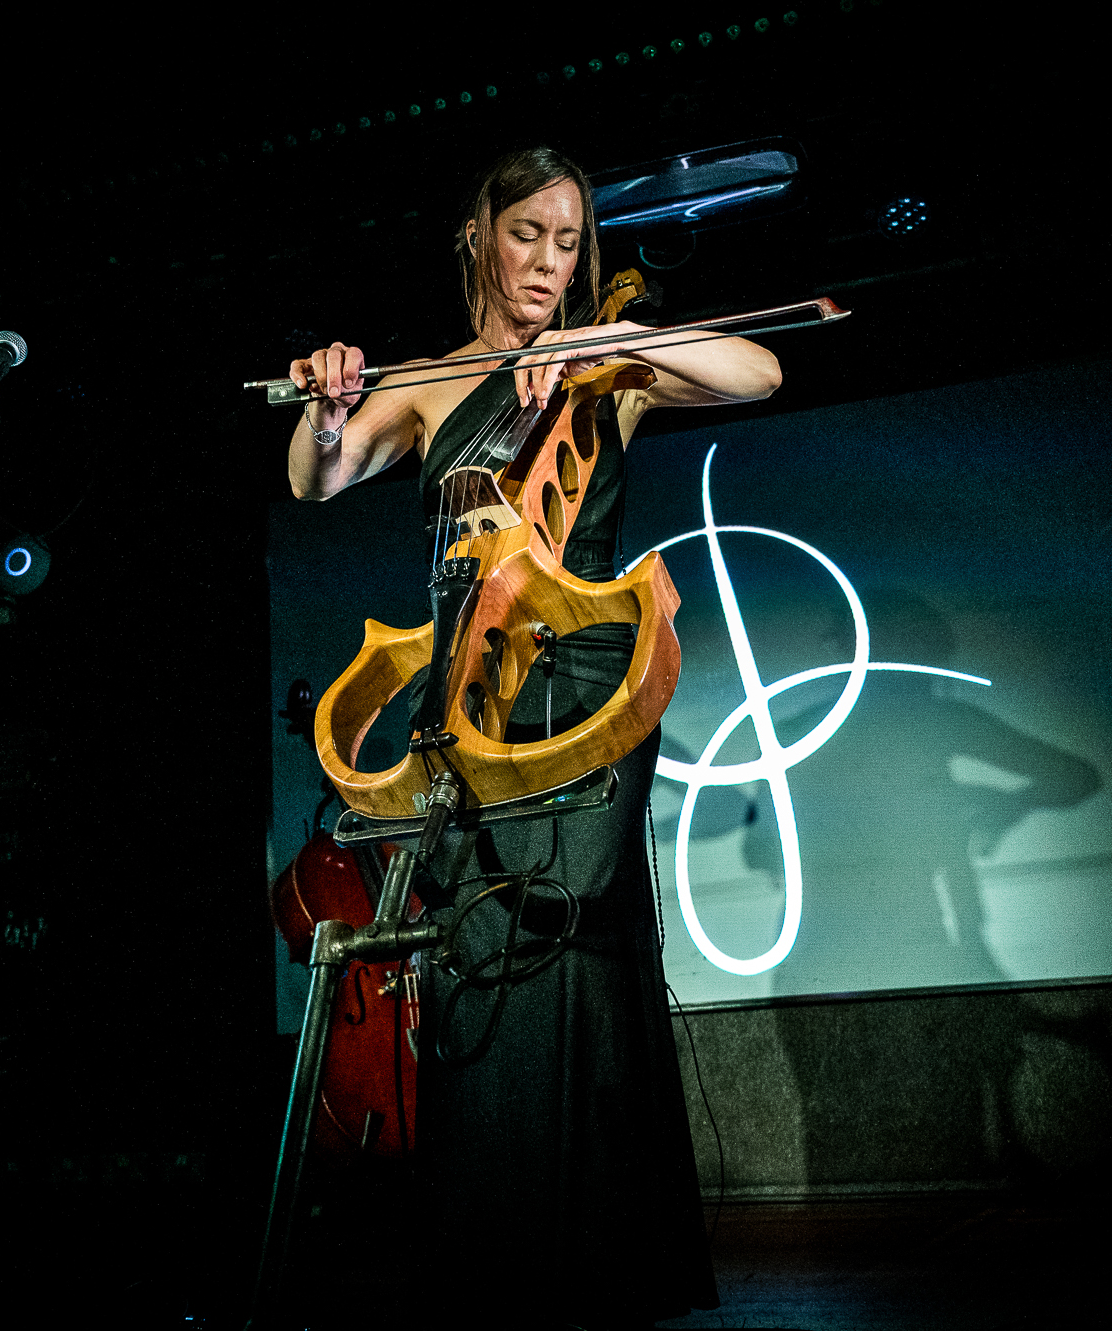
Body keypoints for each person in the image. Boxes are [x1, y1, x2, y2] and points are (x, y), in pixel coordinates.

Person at [285, 146, 780, 1329]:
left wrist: (619, 339)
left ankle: (603, 1265)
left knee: (576, 943)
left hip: (590, 696)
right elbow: (316, 478)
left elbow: (757, 369)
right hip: (470, 694)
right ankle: (493, 1259)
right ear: (478, 235)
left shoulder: (606, 368)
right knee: (478, 949)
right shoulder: (426, 382)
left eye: (568, 243)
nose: (549, 264)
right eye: (527, 236)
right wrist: (324, 408)